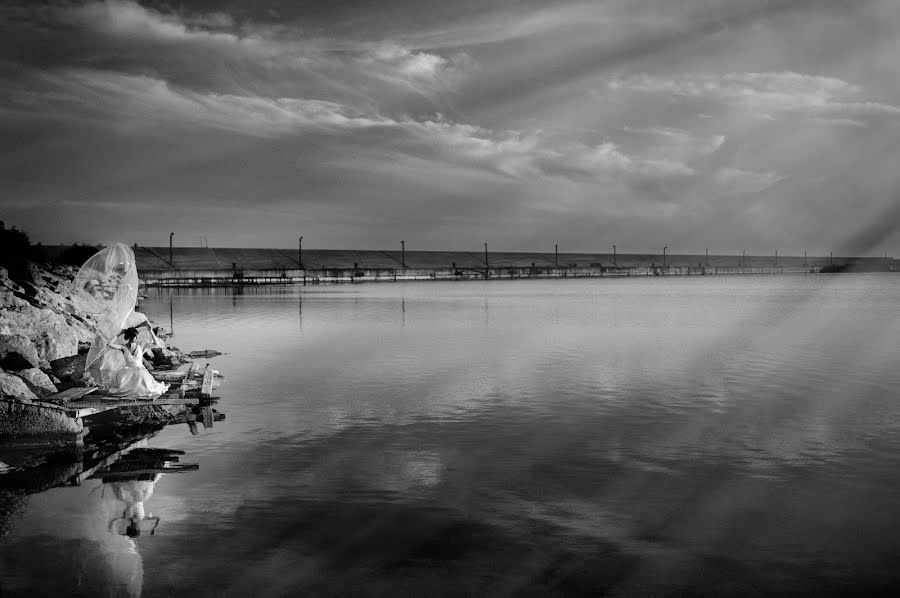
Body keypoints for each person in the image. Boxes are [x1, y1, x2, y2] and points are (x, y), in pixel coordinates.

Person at [106, 326, 169, 398]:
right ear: (130, 337)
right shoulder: (123, 347)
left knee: (145, 382)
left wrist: (151, 331)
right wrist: (120, 333)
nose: (137, 338)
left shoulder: (140, 345)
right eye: (135, 336)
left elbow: (156, 344)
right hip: (128, 372)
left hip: (140, 370)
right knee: (124, 386)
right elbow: (109, 344)